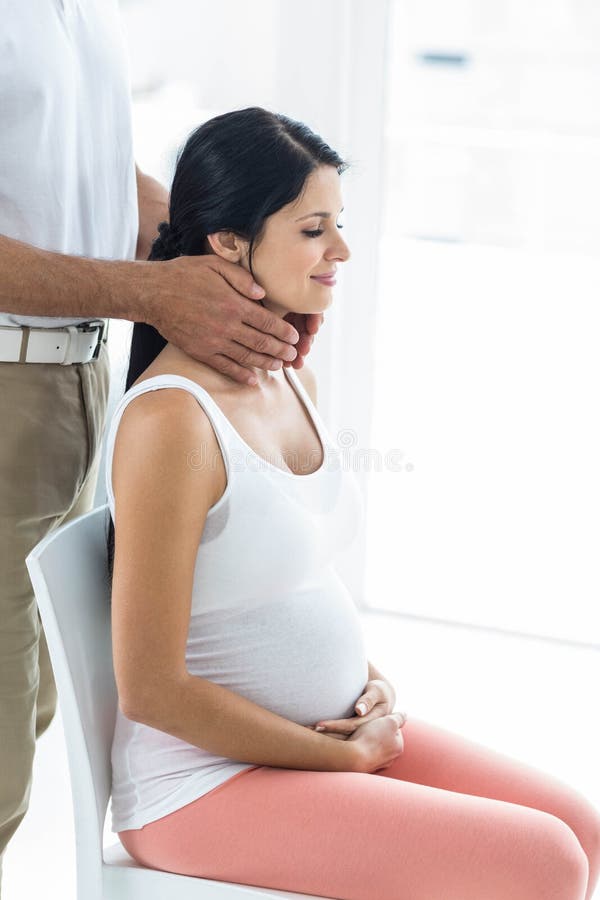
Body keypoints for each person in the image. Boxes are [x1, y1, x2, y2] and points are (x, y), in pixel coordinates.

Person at [104, 106, 600, 900]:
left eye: (339, 224)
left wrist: (364, 681)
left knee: (580, 828)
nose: (339, 250)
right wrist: (346, 756)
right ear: (230, 243)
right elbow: (151, 689)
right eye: (311, 230)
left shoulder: (287, 373)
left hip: (319, 733)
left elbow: (277, 583)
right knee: (547, 864)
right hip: (203, 787)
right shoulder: (171, 420)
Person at [0, 4, 320, 891]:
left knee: (32, 709)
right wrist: (147, 290)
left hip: (73, 377)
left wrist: (237, 283)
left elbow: (94, 179)